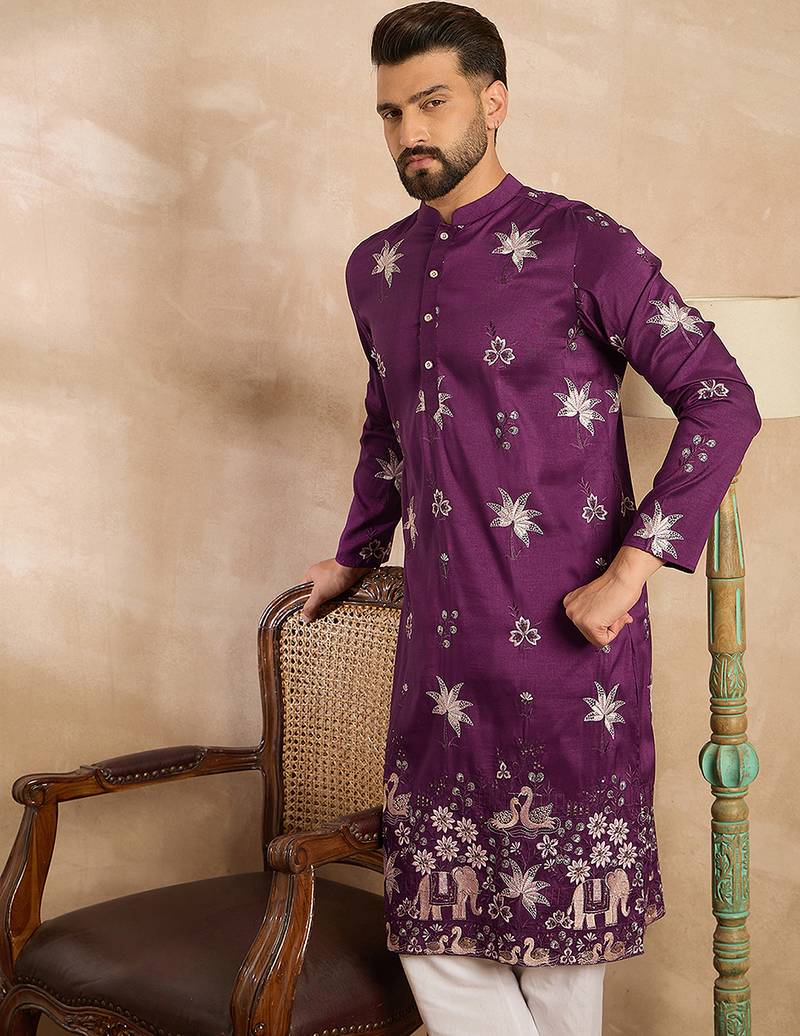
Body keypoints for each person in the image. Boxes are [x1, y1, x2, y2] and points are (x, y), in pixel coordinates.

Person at [300, 3, 762, 1034]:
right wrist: (354, 554)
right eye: (390, 113)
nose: (410, 132)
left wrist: (630, 571)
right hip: (440, 661)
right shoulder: (374, 267)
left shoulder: (582, 244)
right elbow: (388, 426)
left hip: (569, 655)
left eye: (432, 103)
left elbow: (721, 398)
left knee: (562, 961)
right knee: (438, 937)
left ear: (494, 102)